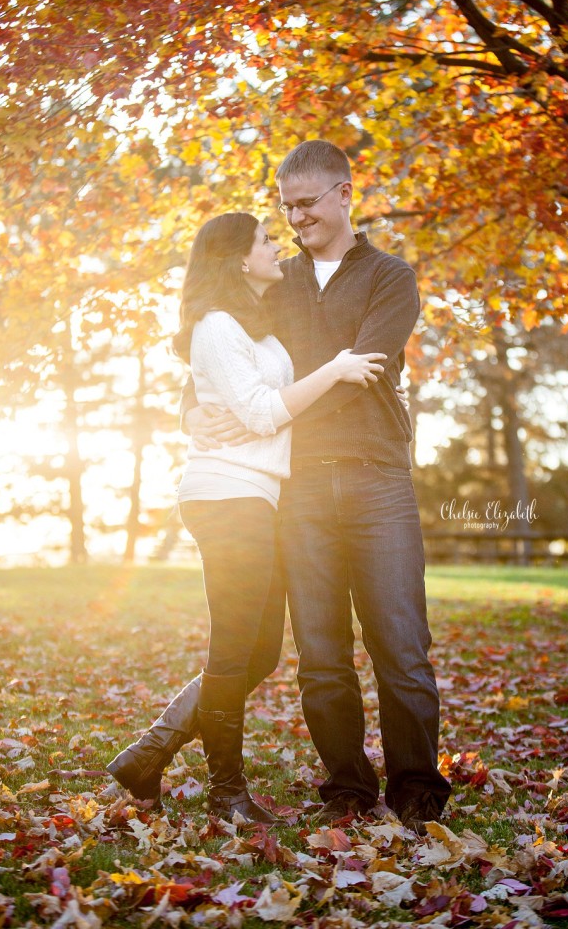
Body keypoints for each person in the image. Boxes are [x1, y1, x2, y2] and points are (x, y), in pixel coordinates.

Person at [187, 141, 451, 833]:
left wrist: (270, 408)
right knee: (321, 655)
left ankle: (417, 785)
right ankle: (346, 786)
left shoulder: (393, 277)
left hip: (378, 480)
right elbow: (238, 364)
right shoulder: (277, 284)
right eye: (286, 208)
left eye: (307, 203)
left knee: (400, 642)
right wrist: (202, 407)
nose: (296, 217)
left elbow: (365, 360)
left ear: (343, 194)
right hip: (299, 489)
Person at [106, 211, 385, 823]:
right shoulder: (216, 325)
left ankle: (147, 756)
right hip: (227, 498)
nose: (276, 244)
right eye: (265, 239)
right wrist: (336, 368)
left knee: (257, 654)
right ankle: (226, 793)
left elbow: (247, 401)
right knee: (235, 649)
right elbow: (260, 413)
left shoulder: (253, 323)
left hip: (257, 497)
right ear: (237, 258)